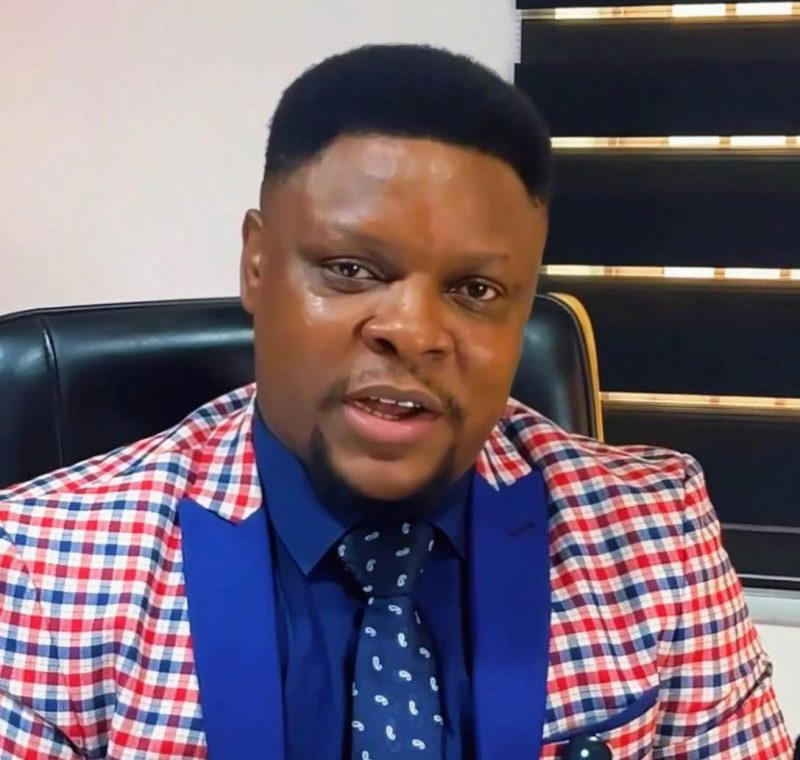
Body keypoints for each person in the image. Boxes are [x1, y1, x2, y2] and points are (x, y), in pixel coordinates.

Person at [0, 44, 792, 760]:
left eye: (476, 289)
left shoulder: (653, 530)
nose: (413, 333)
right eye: (350, 270)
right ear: (258, 264)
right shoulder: (44, 564)